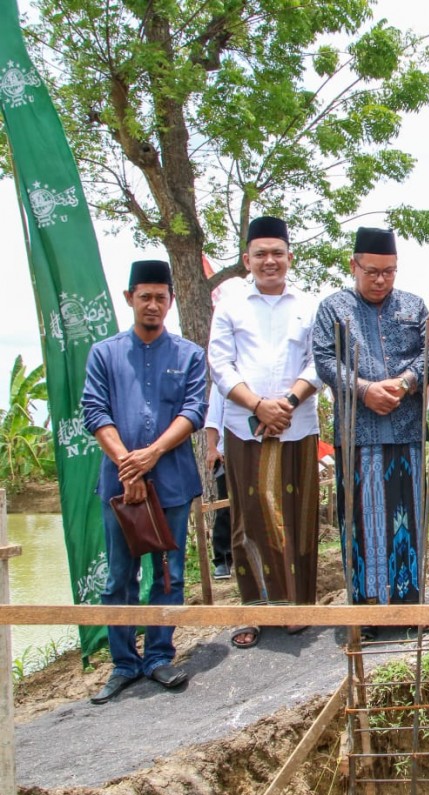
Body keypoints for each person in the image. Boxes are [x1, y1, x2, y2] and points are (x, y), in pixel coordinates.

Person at [81, 260, 207, 703]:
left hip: (172, 481)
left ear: (171, 301)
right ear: (129, 298)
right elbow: (95, 412)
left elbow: (193, 412)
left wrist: (152, 454)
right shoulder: (105, 353)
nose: (153, 305)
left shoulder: (190, 355)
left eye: (161, 297)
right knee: (119, 576)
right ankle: (123, 664)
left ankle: (158, 656)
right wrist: (125, 465)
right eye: (145, 296)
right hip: (118, 486)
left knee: (169, 574)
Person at [208, 215, 322, 649]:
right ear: (246, 259)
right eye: (261, 254)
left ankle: (298, 607)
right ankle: (253, 609)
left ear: (289, 257)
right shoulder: (231, 305)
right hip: (245, 425)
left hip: (298, 424)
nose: (269, 261)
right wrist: (258, 405)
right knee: (248, 519)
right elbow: (220, 365)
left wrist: (287, 403)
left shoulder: (309, 305)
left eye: (277, 253)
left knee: (299, 515)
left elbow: (319, 362)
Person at [313, 227, 428, 636]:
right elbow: (325, 359)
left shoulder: (414, 306)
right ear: (354, 266)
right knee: (361, 520)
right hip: (358, 432)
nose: (381, 280)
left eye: (390, 272)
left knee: (409, 518)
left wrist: (404, 384)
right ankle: (366, 612)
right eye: (372, 272)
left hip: (407, 428)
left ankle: (409, 608)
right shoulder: (333, 309)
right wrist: (363, 389)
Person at [203, 388, 232, 579]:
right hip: (227, 452)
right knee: (226, 507)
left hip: (263, 445)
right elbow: (213, 417)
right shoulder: (223, 375)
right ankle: (222, 559)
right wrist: (212, 448)